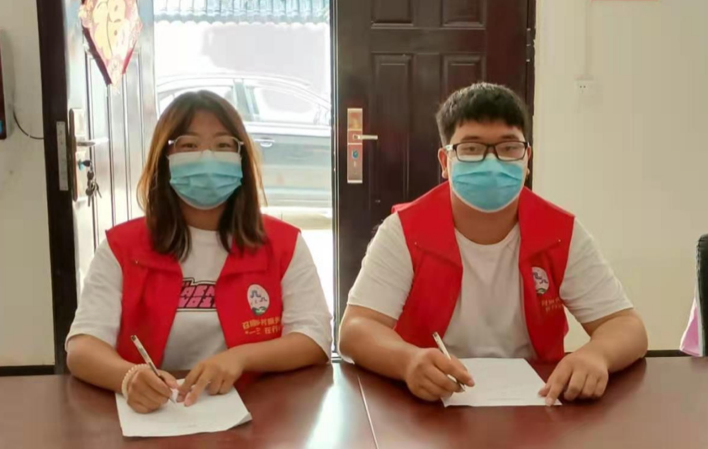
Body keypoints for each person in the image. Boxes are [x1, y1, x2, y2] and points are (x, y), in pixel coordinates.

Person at [339, 82, 648, 405]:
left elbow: (626, 326)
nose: (491, 163)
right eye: (471, 148)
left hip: (536, 405)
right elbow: (356, 329)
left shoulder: (560, 233)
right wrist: (407, 361)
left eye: (508, 148)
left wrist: (596, 355)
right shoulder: (405, 231)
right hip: (428, 404)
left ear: (527, 158)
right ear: (445, 161)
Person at [66, 91, 332, 414]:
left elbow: (314, 337)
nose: (207, 157)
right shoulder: (122, 247)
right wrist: (128, 377)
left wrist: (241, 358)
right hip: (156, 415)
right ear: (165, 158)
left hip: (259, 415)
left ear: (241, 158)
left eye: (223, 145)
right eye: (189, 145)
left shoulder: (283, 243)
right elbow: (82, 347)